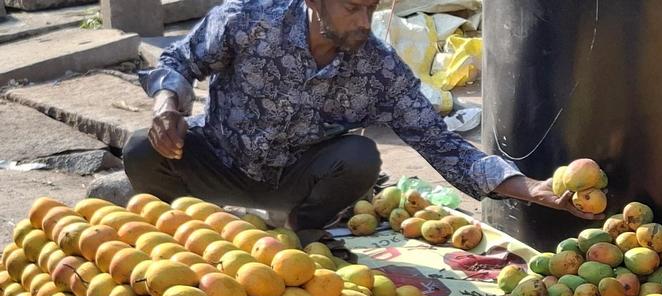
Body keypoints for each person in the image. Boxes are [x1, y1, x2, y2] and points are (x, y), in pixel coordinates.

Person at [123, 0, 597, 256]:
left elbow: (440, 144)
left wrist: (530, 189)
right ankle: (173, 231)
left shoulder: (377, 67)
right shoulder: (247, 19)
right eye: (352, 8)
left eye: (370, 9)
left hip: (294, 181)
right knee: (143, 148)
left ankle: (302, 231)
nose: (364, 23)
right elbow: (179, 60)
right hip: (220, 160)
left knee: (361, 156)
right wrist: (167, 104)